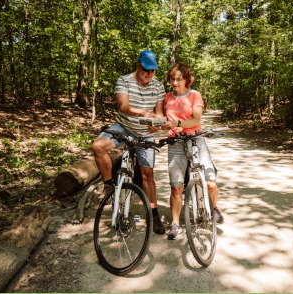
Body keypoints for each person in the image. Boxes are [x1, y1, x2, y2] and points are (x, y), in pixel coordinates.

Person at [92, 50, 166, 234]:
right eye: (146, 70)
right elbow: (123, 107)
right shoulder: (124, 80)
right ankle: (109, 184)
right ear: (138, 66)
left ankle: (154, 215)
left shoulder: (158, 86)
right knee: (98, 146)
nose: (150, 74)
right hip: (123, 127)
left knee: (148, 175)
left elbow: (159, 113)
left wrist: (156, 123)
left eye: (153, 71)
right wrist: (143, 112)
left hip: (144, 133)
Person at [161, 63, 224, 240]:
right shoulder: (167, 97)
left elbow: (196, 119)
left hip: (196, 139)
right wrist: (160, 125)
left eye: (179, 79)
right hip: (175, 143)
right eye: (172, 79)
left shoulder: (194, 95)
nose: (175, 82)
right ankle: (175, 224)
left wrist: (177, 124)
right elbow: (162, 118)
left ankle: (213, 208)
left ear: (187, 80)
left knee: (211, 182)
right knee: (176, 187)